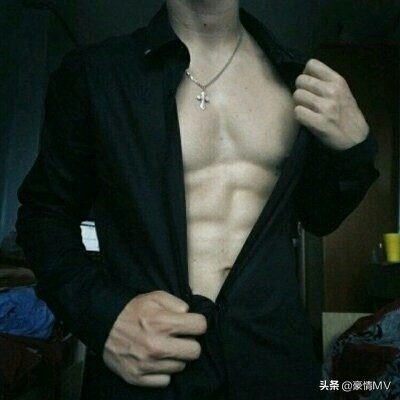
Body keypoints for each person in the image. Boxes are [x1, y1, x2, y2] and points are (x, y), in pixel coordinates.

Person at [15, 1, 379, 399]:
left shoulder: (301, 80)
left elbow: (319, 216)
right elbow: (44, 215)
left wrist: (355, 149)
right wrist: (103, 314)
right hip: (150, 365)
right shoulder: (96, 73)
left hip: (273, 361)